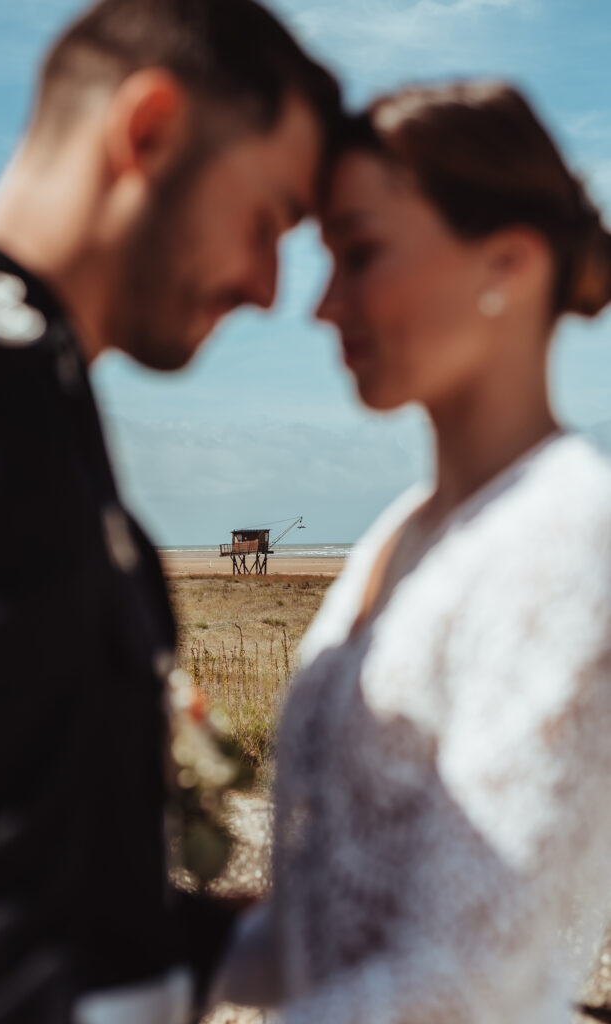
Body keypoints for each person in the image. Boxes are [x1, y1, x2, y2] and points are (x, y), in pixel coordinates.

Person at [0, 1, 340, 1021]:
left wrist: (281, 937)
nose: (267, 288)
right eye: (266, 221)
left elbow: (44, 889)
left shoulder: (30, 399)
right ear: (148, 131)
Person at [213, 82, 611, 1023]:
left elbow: (461, 982)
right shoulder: (399, 530)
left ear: (507, 265)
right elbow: (322, 925)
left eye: (358, 254)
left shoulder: (570, 535)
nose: (322, 306)